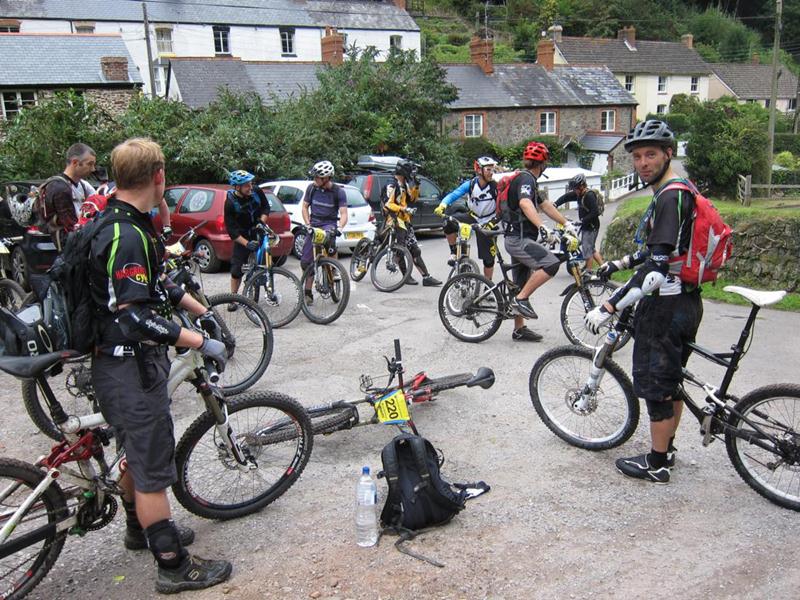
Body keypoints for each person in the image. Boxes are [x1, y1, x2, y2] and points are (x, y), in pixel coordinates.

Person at [89, 138, 232, 593]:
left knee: (136, 453)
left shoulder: (122, 220)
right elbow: (134, 316)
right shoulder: (128, 234)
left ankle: (140, 530)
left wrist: (203, 311)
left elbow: (160, 283)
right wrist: (200, 341)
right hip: (128, 367)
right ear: (158, 176)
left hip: (117, 364)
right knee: (152, 471)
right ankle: (173, 566)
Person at [585, 120, 703, 484]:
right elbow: (658, 249)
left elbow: (656, 270)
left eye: (650, 155)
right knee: (671, 381)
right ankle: (667, 448)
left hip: (665, 309)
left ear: (668, 153)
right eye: (637, 157)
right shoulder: (679, 190)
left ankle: (657, 463)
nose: (642, 163)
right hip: (687, 302)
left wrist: (609, 306)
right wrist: (617, 264)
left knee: (655, 386)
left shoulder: (669, 197)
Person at [501, 142, 575, 342]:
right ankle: (520, 300)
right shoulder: (526, 179)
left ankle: (519, 329)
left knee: (520, 282)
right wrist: (542, 226)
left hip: (517, 238)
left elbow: (545, 205)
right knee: (550, 264)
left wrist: (566, 223)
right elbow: (525, 202)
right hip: (519, 240)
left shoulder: (529, 181)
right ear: (543, 164)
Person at [434, 156, 499, 279]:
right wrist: (443, 205)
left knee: (489, 260)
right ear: (479, 170)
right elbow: (454, 194)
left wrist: (494, 222)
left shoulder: (495, 187)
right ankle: (454, 252)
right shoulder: (471, 184)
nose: (491, 173)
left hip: (488, 222)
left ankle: (488, 285)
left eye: (492, 170)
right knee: (448, 222)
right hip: (473, 217)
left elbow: (503, 209)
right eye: (488, 170)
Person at [384, 159, 441, 286]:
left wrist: (416, 186)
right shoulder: (392, 185)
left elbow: (413, 199)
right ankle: (406, 276)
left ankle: (426, 277)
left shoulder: (403, 184)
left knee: (415, 250)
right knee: (400, 248)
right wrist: (403, 209)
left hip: (405, 220)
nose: (411, 174)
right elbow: (388, 205)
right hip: (394, 220)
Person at [301, 160, 348, 303]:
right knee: (306, 262)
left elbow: (344, 213)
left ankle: (334, 269)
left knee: (329, 240)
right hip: (314, 224)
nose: (315, 179)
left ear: (326, 178)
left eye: (317, 177)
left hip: (329, 224)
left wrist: (340, 228)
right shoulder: (311, 188)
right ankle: (308, 292)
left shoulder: (338, 192)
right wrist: (308, 224)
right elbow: (304, 207)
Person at [224, 169, 270, 300]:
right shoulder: (230, 203)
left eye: (251, 184)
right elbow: (232, 230)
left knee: (265, 265)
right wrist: (247, 244)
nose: (250, 187)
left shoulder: (256, 191)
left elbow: (266, 207)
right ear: (237, 187)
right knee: (236, 270)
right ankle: (233, 299)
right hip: (242, 236)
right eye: (246, 185)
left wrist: (261, 223)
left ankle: (268, 289)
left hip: (258, 230)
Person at [41, 143, 97, 249]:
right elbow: (71, 226)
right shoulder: (59, 188)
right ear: (75, 162)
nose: (93, 169)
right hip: (69, 248)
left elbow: (98, 203)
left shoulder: (83, 185)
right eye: (90, 164)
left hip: (81, 242)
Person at [553, 173, 604, 269]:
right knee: (591, 248)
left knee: (587, 250)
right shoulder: (579, 194)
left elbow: (595, 212)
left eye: (575, 188)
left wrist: (583, 220)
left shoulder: (589, 196)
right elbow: (566, 197)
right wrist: (555, 204)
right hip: (586, 225)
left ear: (581, 186)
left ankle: (589, 272)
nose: (574, 191)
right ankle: (604, 267)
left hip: (591, 226)